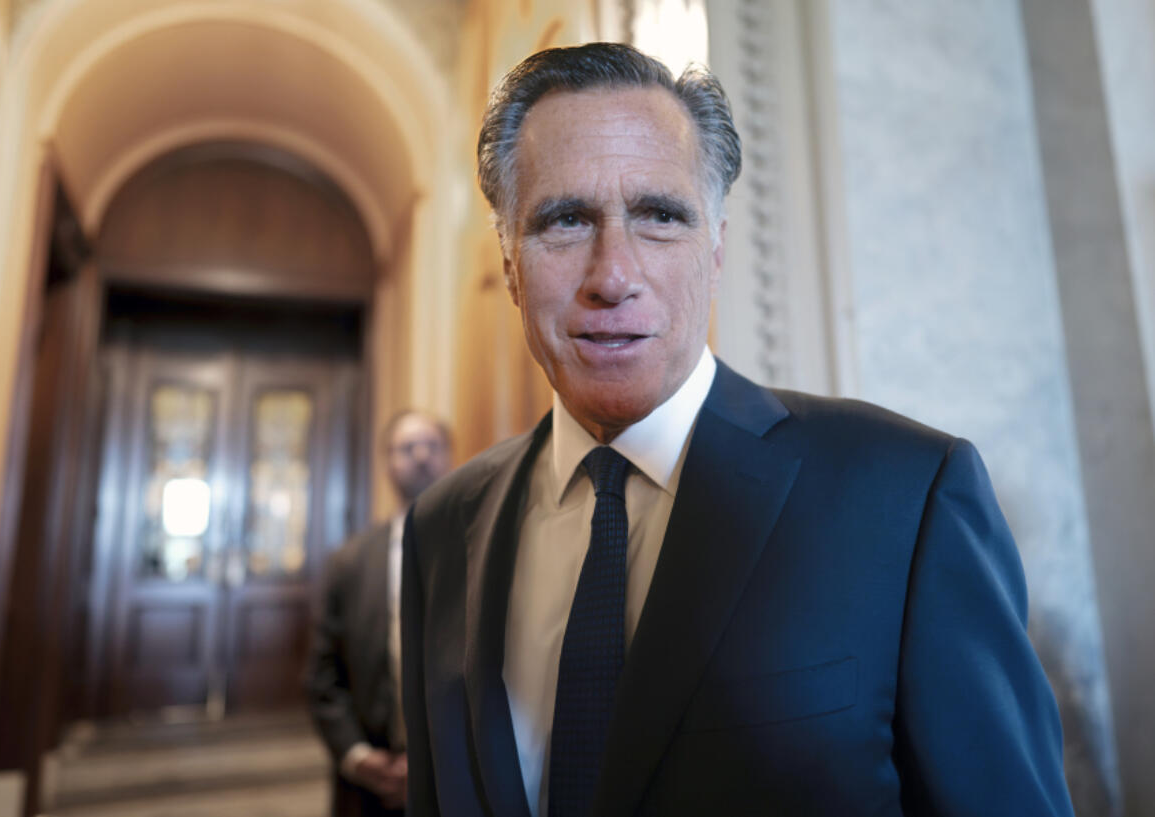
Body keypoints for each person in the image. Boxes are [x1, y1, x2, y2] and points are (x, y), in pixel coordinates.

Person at [399, 42, 1075, 817]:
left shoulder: (908, 496)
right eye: (564, 219)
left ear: (715, 249)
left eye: (659, 216)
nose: (613, 275)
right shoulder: (443, 528)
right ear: (510, 262)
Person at [306, 410, 452, 817]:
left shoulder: (480, 550)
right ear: (387, 461)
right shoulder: (348, 562)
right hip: (368, 780)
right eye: (407, 447)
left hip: (457, 776)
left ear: (451, 458)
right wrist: (356, 756)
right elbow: (322, 675)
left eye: (433, 445)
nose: (421, 455)